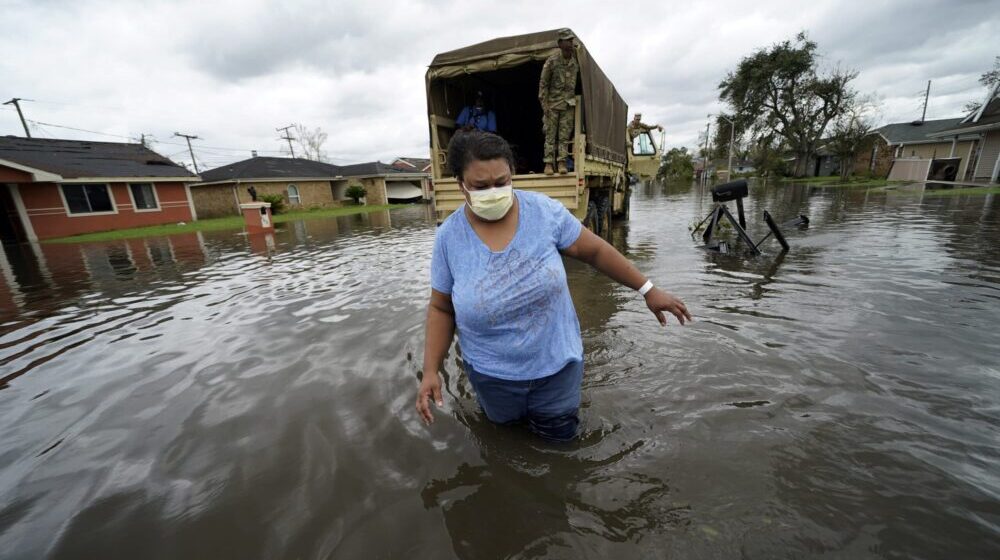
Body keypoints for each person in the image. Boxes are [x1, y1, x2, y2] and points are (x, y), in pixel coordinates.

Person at [415, 131, 692, 441]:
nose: (493, 192)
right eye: (481, 186)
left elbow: (595, 251)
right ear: (461, 185)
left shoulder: (544, 212)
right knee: (505, 443)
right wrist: (431, 370)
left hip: (556, 370)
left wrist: (648, 289)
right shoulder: (449, 238)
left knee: (560, 443)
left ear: (512, 175)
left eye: (502, 182)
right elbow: (441, 308)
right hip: (492, 377)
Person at [538, 28, 579, 176]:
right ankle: (549, 163)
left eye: (571, 40)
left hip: (568, 105)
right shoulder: (552, 61)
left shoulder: (575, 61)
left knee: (564, 136)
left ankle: (562, 162)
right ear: (560, 43)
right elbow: (543, 85)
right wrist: (545, 106)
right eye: (568, 40)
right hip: (553, 105)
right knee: (550, 135)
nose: (571, 43)